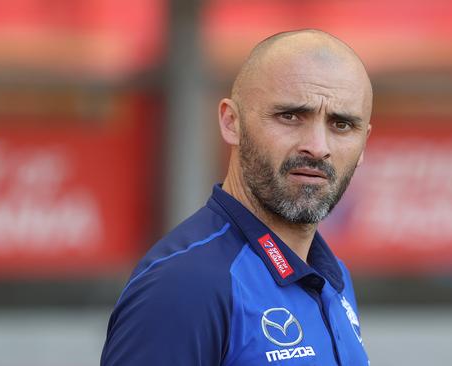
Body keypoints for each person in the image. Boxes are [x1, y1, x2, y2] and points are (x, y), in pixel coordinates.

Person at [101, 29, 372, 366]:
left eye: (342, 124)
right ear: (232, 123)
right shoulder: (183, 286)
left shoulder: (334, 277)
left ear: (364, 143)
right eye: (289, 116)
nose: (317, 147)